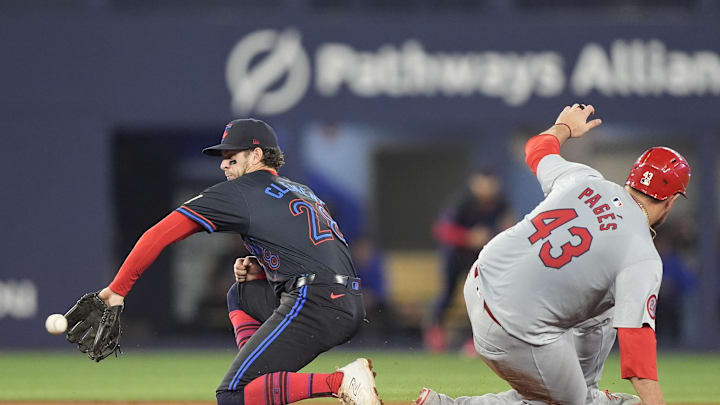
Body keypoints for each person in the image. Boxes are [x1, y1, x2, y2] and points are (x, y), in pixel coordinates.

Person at [415, 104, 690, 405]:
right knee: (570, 401)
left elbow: (536, 148)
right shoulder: (642, 255)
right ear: (672, 201)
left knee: (608, 303)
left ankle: (589, 393)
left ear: (632, 178)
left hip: (480, 283)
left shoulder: (585, 178)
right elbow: (637, 349)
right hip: (514, 330)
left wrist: (564, 128)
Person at [95, 119, 382, 405]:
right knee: (240, 294)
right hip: (346, 300)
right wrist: (265, 268)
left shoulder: (240, 191)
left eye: (231, 157)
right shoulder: (300, 189)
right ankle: (259, 377)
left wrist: (117, 290)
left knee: (233, 394)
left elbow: (158, 234)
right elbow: (313, 250)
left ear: (256, 156)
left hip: (315, 300)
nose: (223, 165)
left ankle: (339, 382)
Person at [425, 170, 515, 352]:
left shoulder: (501, 203)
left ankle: (474, 341)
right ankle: (435, 333)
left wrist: (495, 236)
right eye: (484, 183)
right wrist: (468, 237)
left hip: (480, 257)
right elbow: (442, 230)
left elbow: (510, 228)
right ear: (475, 183)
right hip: (455, 255)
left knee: (480, 298)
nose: (488, 188)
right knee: (448, 294)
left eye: (491, 184)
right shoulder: (463, 201)